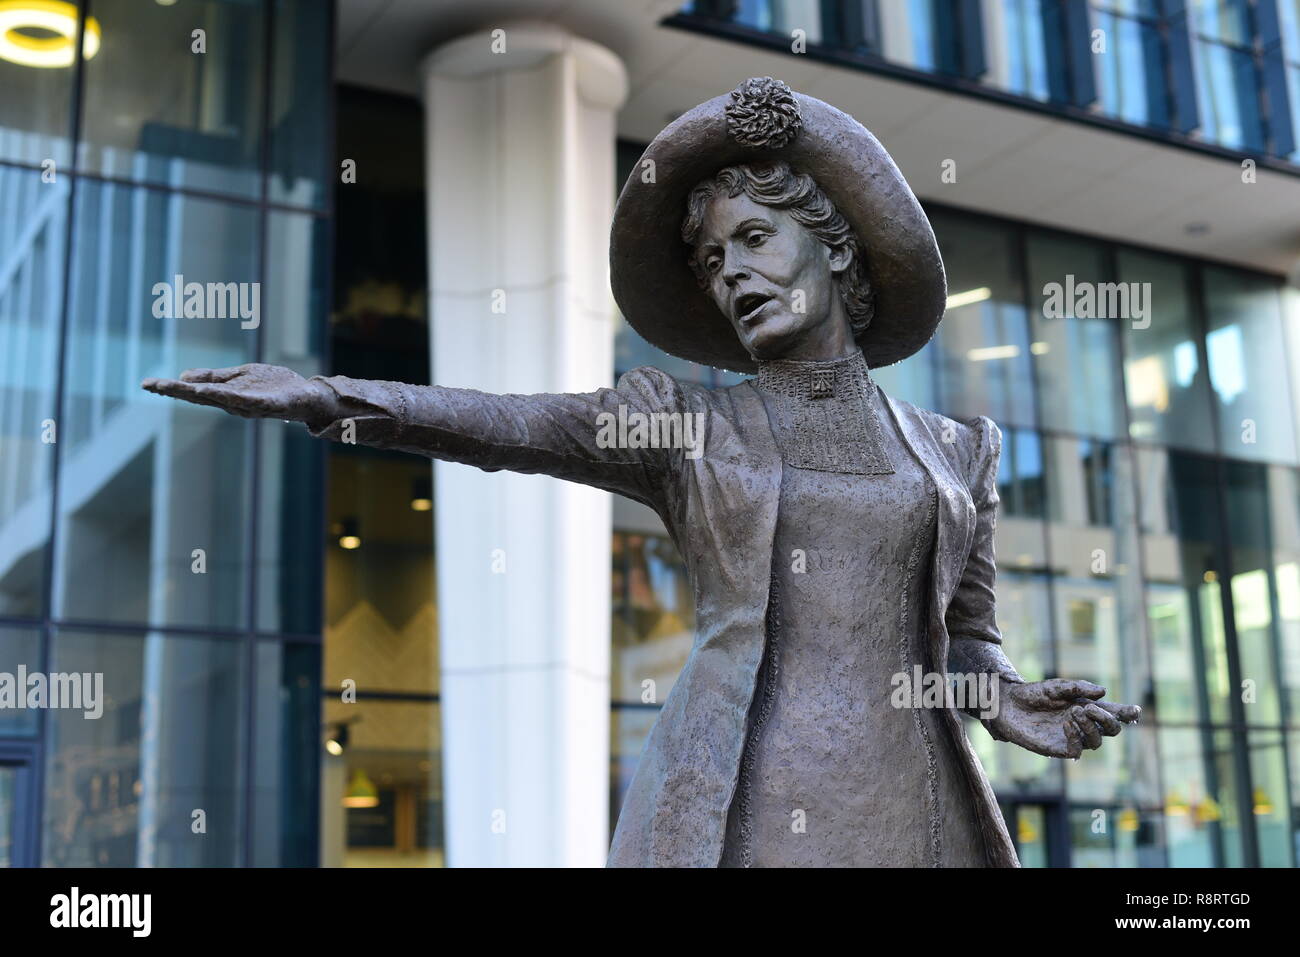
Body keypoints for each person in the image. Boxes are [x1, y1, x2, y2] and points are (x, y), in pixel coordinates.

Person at [143, 77, 1139, 867]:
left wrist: (1003, 697)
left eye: (754, 240)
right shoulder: (688, 429)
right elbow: (507, 425)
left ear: (836, 249)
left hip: (911, 801)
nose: (733, 274)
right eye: (711, 262)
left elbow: (963, 640)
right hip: (741, 794)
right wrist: (330, 400)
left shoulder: (960, 450)